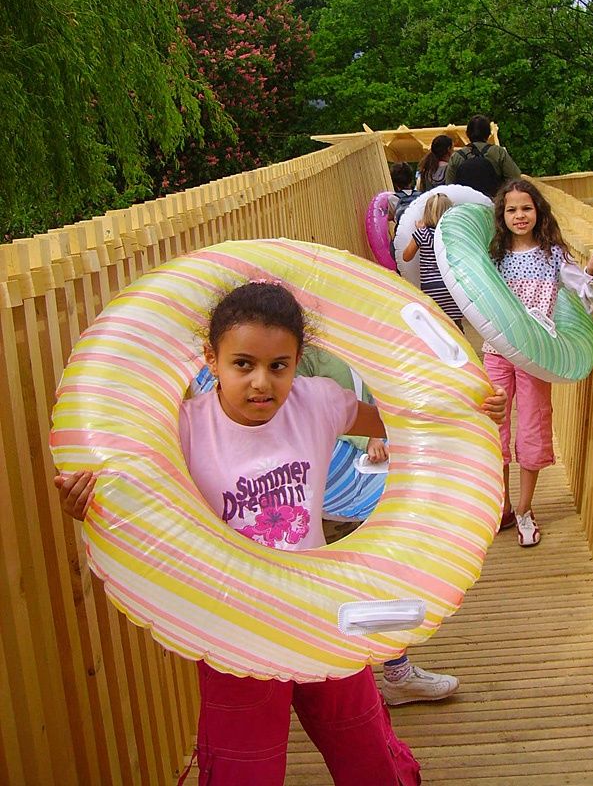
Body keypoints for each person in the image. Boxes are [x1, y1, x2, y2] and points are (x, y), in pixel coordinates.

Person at [56, 280, 507, 783]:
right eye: (243, 364)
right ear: (211, 359)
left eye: (278, 366)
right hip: (235, 625)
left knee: (367, 752)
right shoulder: (183, 428)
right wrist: (91, 505)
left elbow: (404, 421)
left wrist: (473, 410)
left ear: (297, 362)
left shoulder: (316, 402)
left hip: (319, 610)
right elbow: (133, 498)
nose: (261, 382)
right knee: (243, 769)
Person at [298, 345, 461, 706]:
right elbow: (301, 416)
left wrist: (378, 434)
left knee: (378, 580)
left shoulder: (355, 339)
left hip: (366, 480)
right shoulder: (302, 349)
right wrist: (366, 437)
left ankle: (396, 674)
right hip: (320, 492)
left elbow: (382, 392)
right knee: (334, 590)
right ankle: (347, 683)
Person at [483, 180, 593, 548]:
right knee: (494, 427)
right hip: (496, 350)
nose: (519, 215)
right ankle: (502, 506)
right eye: (511, 209)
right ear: (502, 215)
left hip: (535, 353)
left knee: (533, 426)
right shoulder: (493, 256)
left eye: (526, 208)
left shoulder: (551, 253)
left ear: (538, 211)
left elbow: (582, 289)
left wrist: (592, 266)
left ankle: (525, 509)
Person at [402, 193, 463, 328]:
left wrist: (419, 231)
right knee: (455, 326)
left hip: (432, 288)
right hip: (451, 287)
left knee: (437, 325)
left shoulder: (422, 234)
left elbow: (406, 257)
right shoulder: (453, 235)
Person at [445, 114, 520, 198]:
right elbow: (515, 178)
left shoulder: (456, 156)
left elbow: (449, 186)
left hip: (464, 202)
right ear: (488, 133)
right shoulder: (498, 152)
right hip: (492, 201)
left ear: (467, 134)